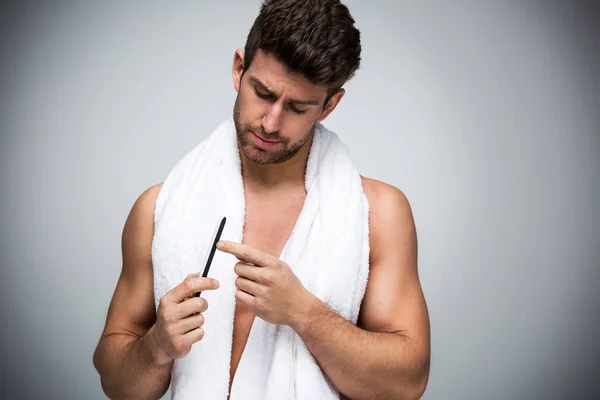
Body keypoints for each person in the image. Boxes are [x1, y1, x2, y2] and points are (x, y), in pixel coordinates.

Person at [93, 0, 430, 399]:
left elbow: (407, 385)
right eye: (263, 92)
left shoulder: (378, 213)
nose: (271, 123)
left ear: (330, 105)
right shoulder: (160, 209)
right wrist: (156, 347)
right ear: (239, 69)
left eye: (297, 107)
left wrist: (304, 313)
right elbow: (116, 384)